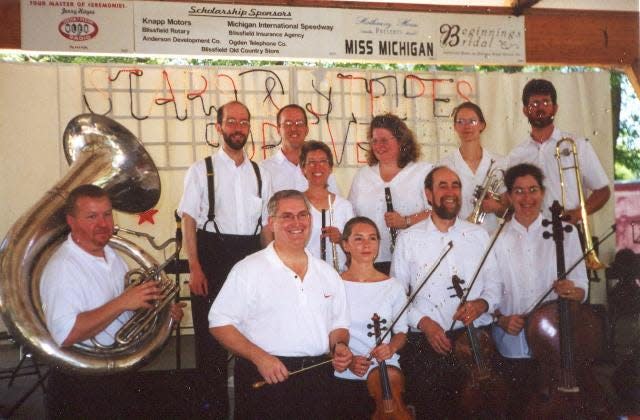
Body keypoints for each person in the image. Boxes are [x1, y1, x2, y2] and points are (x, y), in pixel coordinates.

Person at [40, 184, 184, 418]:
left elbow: (125, 315)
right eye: (91, 216)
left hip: (117, 372)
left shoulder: (113, 256)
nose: (103, 223)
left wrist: (159, 313)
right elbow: (65, 334)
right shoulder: (63, 267)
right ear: (71, 221)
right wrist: (123, 302)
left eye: (107, 214)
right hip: (82, 384)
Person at [209, 189, 352, 419]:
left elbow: (339, 324)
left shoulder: (328, 273)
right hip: (265, 376)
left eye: (302, 215)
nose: (296, 222)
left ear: (311, 220)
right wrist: (259, 357)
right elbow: (219, 323)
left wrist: (340, 347)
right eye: (287, 216)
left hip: (318, 380)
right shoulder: (248, 269)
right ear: (271, 223)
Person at [177, 100, 272, 418]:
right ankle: (212, 413)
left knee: (252, 336)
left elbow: (265, 228)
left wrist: (270, 268)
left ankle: (250, 409)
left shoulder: (261, 172)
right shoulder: (200, 169)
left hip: (249, 258)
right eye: (231, 122)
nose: (238, 128)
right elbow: (188, 220)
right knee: (210, 342)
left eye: (244, 122)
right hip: (211, 258)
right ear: (218, 127)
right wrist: (195, 267)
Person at [390, 165, 501, 418]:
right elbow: (396, 296)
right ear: (428, 195)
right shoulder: (409, 239)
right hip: (427, 344)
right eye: (443, 186)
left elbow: (495, 284)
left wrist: (481, 304)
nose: (451, 192)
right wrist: (425, 323)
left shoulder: (478, 235)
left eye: (455, 186)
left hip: (474, 343)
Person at [490, 163, 589, 417]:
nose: (527, 198)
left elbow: (582, 288)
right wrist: (501, 319)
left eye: (533, 190)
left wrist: (571, 290)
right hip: (513, 345)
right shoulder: (495, 238)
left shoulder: (566, 232)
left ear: (543, 193)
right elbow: (488, 294)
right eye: (519, 191)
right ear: (509, 197)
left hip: (556, 343)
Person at [333, 216, 409, 419]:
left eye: (372, 238)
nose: (366, 244)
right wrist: (348, 361)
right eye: (358, 239)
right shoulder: (334, 285)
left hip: (388, 377)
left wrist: (391, 347)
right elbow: (326, 335)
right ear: (345, 245)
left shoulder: (393, 286)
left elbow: (402, 332)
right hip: (347, 374)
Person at [508, 78, 610, 223]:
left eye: (546, 102)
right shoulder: (516, 155)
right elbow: (511, 199)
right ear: (525, 110)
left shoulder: (578, 145)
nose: (540, 108)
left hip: (571, 231)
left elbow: (603, 191)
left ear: (555, 108)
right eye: (534, 103)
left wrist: (577, 214)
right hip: (531, 235)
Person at [348, 113, 433, 274]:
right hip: (371, 261)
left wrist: (406, 221)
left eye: (385, 140)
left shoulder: (423, 172)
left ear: (401, 141)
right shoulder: (363, 175)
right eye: (374, 141)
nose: (379, 145)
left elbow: (438, 214)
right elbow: (352, 217)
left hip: (415, 259)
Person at [439, 101, 508, 233]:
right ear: (455, 127)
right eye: (461, 121)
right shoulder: (444, 165)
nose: (467, 126)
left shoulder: (501, 163)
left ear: (482, 125)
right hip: (458, 237)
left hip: (491, 239)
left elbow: (509, 210)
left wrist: (495, 206)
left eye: (472, 121)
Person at [260, 103, 339, 194]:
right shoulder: (264, 169)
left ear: (306, 129)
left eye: (299, 123)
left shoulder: (321, 168)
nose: (294, 128)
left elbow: (334, 202)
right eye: (288, 123)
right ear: (278, 129)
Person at [300, 140, 354, 271]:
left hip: (338, 276)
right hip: (306, 275)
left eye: (323, 161)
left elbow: (355, 250)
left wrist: (341, 240)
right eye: (311, 162)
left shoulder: (345, 206)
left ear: (330, 168)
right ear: (303, 169)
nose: (317, 167)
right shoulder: (296, 204)